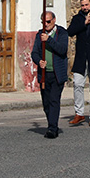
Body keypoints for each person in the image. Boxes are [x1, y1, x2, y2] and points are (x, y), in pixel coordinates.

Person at [31, 11, 69, 139]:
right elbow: (34, 52)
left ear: (54, 20)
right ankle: (52, 124)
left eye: (48, 21)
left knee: (54, 100)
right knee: (46, 102)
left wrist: (49, 40)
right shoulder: (39, 35)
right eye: (43, 22)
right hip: (44, 73)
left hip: (57, 73)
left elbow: (62, 49)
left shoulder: (62, 33)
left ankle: (52, 128)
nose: (46, 24)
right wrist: (38, 61)